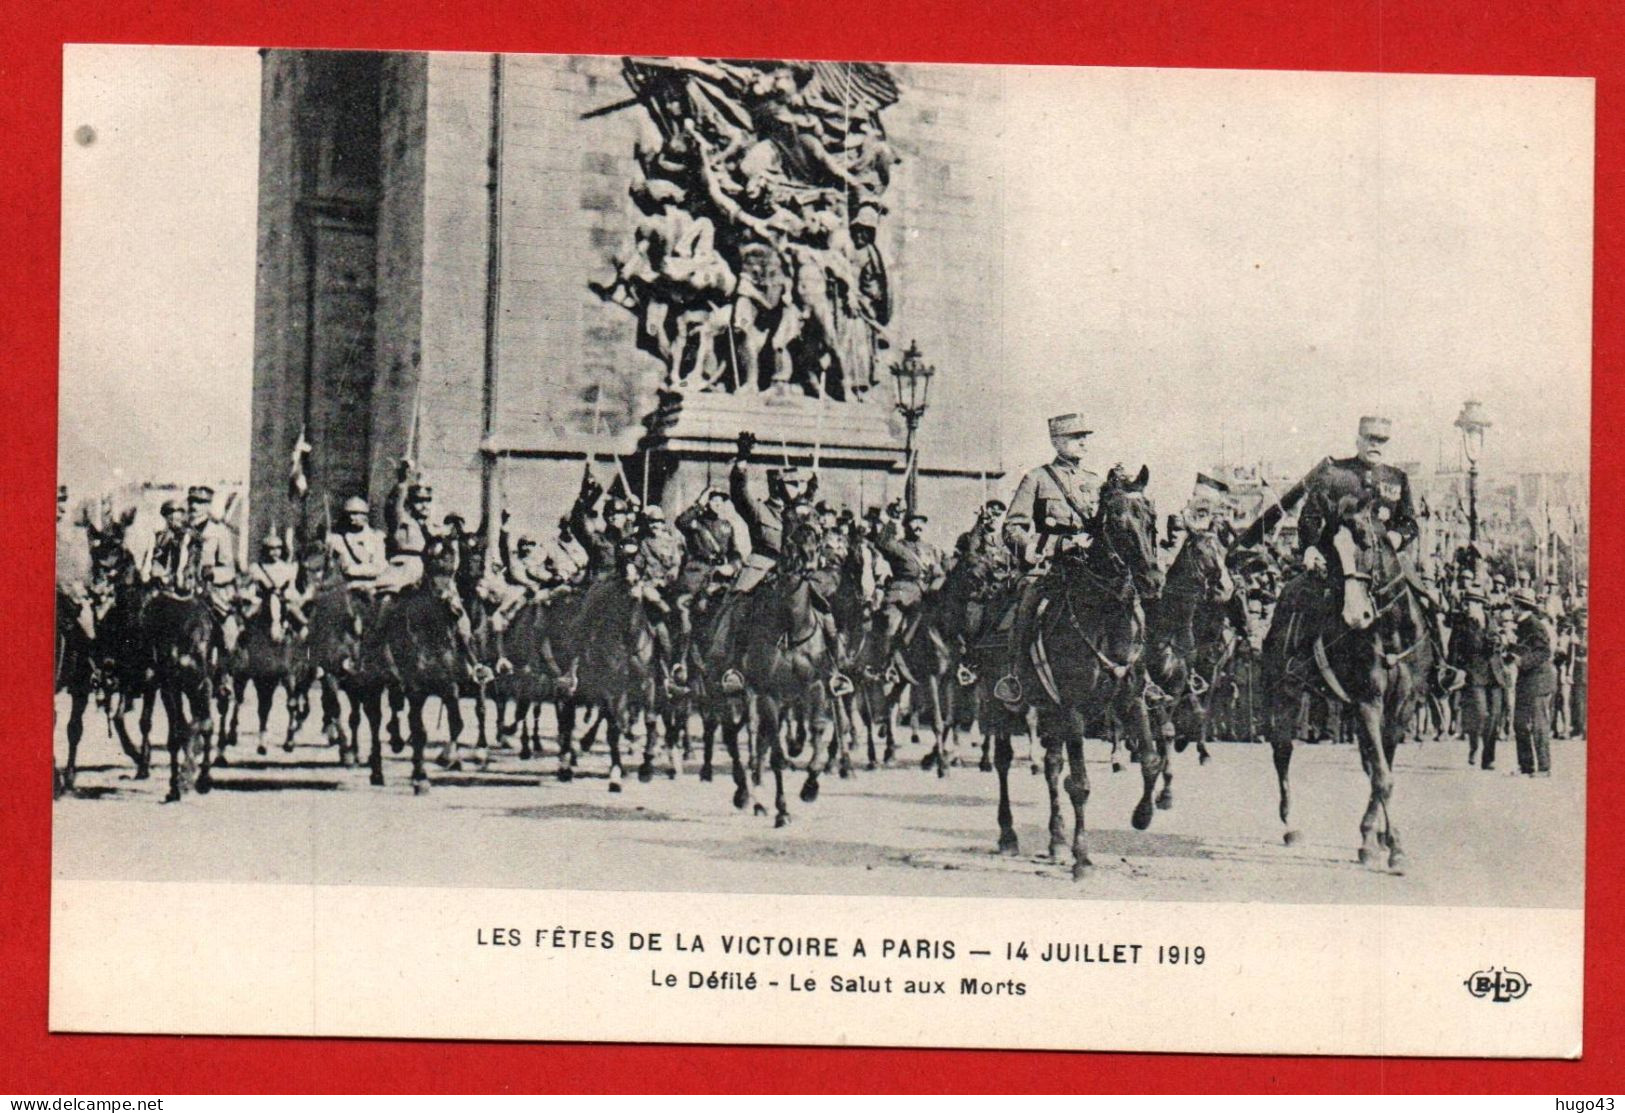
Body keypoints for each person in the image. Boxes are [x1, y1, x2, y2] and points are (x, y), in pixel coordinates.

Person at [995, 412, 1101, 706]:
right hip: (1050, 568)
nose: (1083, 442)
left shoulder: (1095, 482)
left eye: (1084, 437)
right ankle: (1014, 676)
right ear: (1056, 442)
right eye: (1074, 437)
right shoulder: (1037, 479)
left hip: (1090, 570)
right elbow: (1012, 529)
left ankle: (1135, 680)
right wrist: (1060, 544)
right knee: (1026, 606)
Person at [873, 509, 943, 659]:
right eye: (914, 521)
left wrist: (933, 589)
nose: (918, 526)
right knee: (891, 625)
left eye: (922, 522)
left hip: (925, 596)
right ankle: (887, 665)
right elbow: (881, 541)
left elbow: (938, 574)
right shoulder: (898, 546)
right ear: (905, 525)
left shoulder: (930, 550)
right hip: (901, 595)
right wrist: (893, 519)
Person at [184, 485, 241, 652]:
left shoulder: (219, 532)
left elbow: (229, 570)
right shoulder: (182, 531)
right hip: (181, 589)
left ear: (208, 505)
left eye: (200, 502)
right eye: (192, 501)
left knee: (229, 631)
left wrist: (212, 573)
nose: (194, 506)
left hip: (208, 592)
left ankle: (227, 669)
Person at [1507, 586, 1557, 776]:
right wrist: (1509, 648)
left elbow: (1544, 652)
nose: (1510, 609)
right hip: (1527, 682)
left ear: (1520, 607)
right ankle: (1526, 766)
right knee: (1519, 723)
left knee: (1538, 725)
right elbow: (1524, 649)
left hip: (1539, 681)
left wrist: (1521, 661)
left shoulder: (1534, 625)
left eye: (1513, 606)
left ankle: (1544, 768)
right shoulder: (1522, 625)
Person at [1449, 587, 1500, 769]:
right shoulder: (1461, 624)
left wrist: (1497, 643)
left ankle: (1488, 758)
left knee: (1494, 716)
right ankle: (1474, 746)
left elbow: (1497, 641)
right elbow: (1453, 650)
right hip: (1473, 674)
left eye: (1472, 602)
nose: (1469, 606)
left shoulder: (1490, 619)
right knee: (1479, 714)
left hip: (1494, 674)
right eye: (1468, 602)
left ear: (1480, 604)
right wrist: (1454, 672)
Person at [245, 531, 306, 637]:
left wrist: (291, 597)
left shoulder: (287, 568)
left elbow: (292, 589)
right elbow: (248, 588)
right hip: (264, 607)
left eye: (278, 548)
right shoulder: (256, 568)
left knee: (303, 630)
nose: (275, 552)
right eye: (271, 549)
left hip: (284, 606)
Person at [323, 496, 389, 588]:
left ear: (365, 515)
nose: (351, 517)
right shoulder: (336, 539)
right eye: (348, 513)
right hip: (348, 587)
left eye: (355, 513)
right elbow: (330, 569)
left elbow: (380, 567)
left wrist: (352, 569)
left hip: (372, 586)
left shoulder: (377, 536)